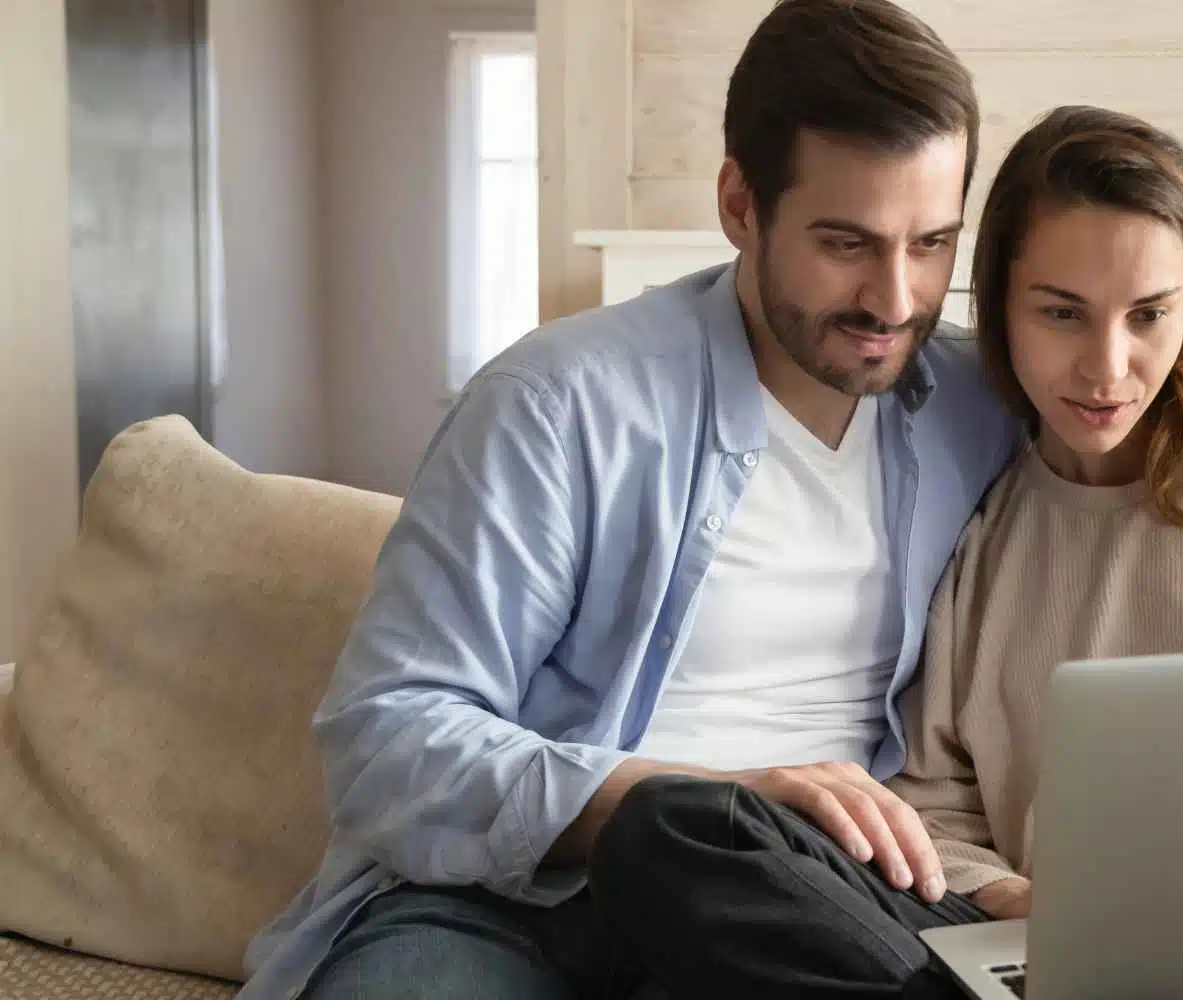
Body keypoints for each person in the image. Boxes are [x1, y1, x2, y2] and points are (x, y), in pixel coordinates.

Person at [610, 105, 1183, 1000]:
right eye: (1061, 314)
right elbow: (937, 808)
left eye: (1148, 315)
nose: (1106, 367)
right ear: (1001, 308)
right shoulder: (981, 526)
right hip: (1042, 956)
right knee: (681, 831)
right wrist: (1024, 903)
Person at [233, 2, 1016, 998]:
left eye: (933, 242)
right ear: (739, 203)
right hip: (520, 899)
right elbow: (388, 736)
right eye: (843, 242)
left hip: (808, 903)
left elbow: (1166, 434)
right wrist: (685, 802)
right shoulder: (560, 402)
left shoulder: (977, 403)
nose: (895, 298)